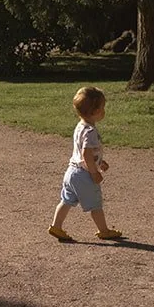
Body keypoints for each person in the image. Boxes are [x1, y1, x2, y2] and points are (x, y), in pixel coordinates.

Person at [48, 86, 124, 242]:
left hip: (72, 172)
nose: (104, 111)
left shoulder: (80, 126)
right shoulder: (91, 132)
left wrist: (100, 162)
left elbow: (87, 153)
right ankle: (103, 230)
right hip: (84, 174)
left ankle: (56, 226)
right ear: (96, 111)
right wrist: (94, 173)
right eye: (103, 107)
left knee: (66, 200)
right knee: (95, 204)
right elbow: (86, 153)